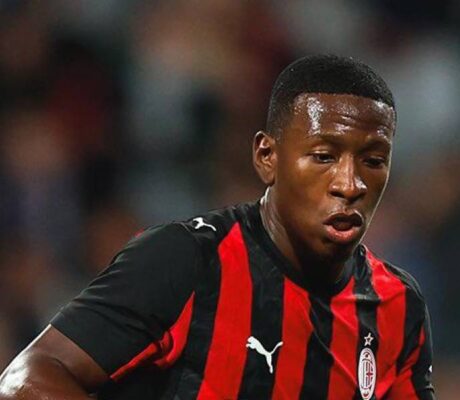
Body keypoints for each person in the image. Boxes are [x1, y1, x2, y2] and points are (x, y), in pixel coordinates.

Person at [0, 55, 435, 399]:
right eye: (323, 156)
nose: (350, 184)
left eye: (373, 161)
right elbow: (26, 379)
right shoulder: (186, 260)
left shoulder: (397, 306)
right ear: (267, 157)